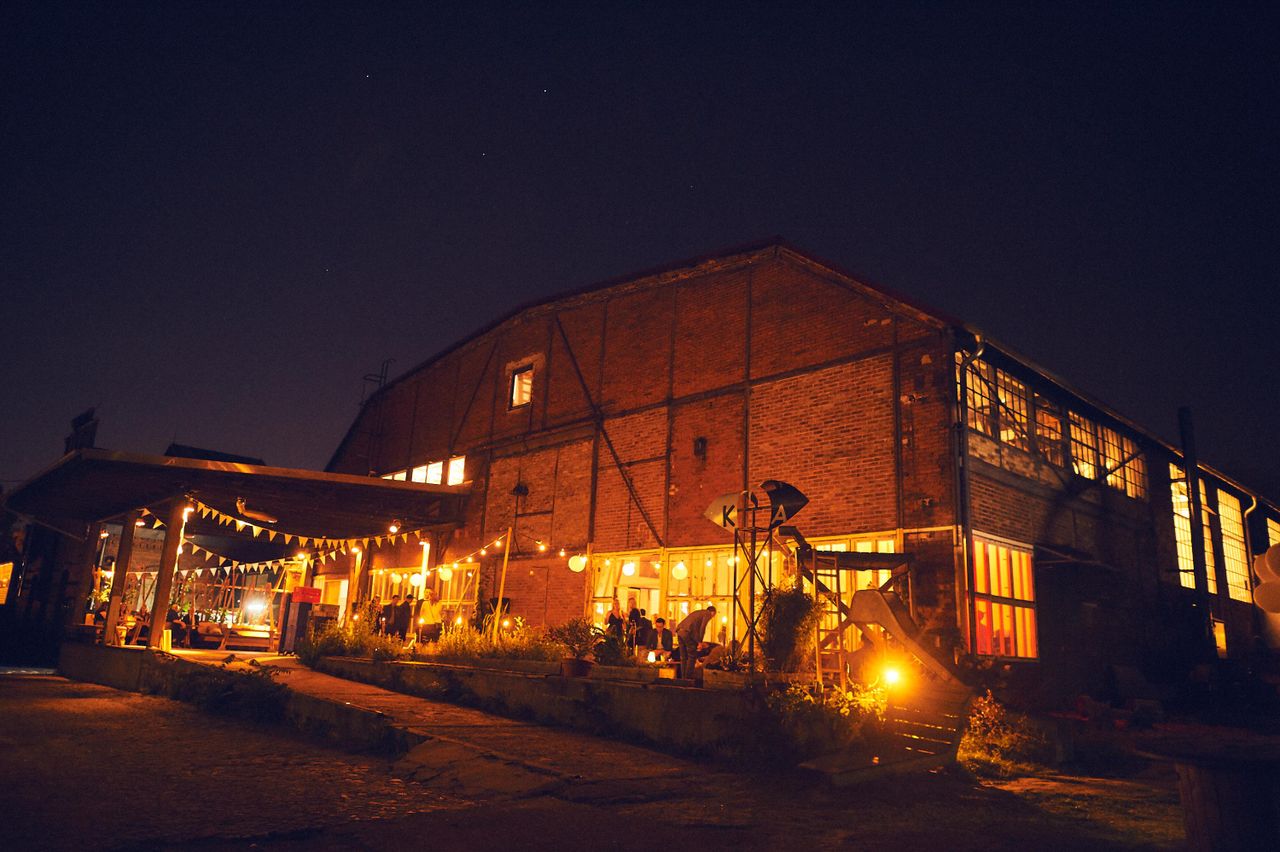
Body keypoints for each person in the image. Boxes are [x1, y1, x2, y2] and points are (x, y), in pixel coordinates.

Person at [675, 605, 716, 680]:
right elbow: (702, 628)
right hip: (686, 633)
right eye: (713, 616)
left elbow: (694, 628)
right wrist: (700, 642)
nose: (711, 618)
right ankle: (688, 678)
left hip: (679, 631)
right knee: (692, 656)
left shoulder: (697, 613)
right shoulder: (707, 614)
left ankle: (683, 678)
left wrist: (697, 640)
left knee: (683, 657)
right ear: (712, 612)